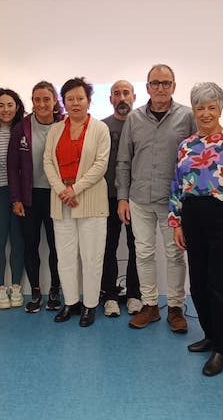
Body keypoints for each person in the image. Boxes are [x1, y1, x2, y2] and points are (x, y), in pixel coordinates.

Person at [170, 82, 223, 376]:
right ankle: (210, 335)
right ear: (193, 110)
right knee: (200, 284)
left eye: (211, 107)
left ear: (220, 108)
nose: (205, 113)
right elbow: (177, 185)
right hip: (193, 217)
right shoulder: (186, 145)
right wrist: (176, 223)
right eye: (200, 108)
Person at [116, 64, 197, 333]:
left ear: (174, 86)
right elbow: (124, 160)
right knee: (143, 253)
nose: (160, 87)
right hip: (139, 199)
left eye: (166, 83)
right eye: (155, 83)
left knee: (175, 254)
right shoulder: (134, 119)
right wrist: (122, 197)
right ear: (147, 87)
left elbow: (197, 158)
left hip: (173, 201)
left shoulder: (187, 117)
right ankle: (150, 306)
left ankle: (175, 308)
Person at [43, 77, 109, 327]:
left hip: (90, 201)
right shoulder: (55, 130)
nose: (75, 103)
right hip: (61, 202)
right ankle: (71, 302)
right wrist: (62, 190)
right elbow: (48, 162)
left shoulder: (100, 129)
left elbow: (100, 165)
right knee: (65, 256)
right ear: (63, 102)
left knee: (92, 257)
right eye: (70, 99)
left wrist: (75, 190)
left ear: (88, 101)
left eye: (80, 98)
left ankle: (90, 305)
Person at [7, 81, 63, 313]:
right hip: (29, 197)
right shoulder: (21, 127)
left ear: (55, 101)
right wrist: (16, 199)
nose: (41, 104)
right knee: (30, 246)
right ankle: (36, 292)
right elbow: (12, 167)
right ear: (32, 101)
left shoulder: (64, 125)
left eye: (46, 99)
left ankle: (55, 291)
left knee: (56, 246)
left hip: (57, 196)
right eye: (37, 99)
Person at [100, 80, 140, 317]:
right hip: (107, 197)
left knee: (138, 248)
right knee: (108, 247)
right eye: (117, 93)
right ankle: (110, 296)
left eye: (126, 93)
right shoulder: (102, 127)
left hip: (136, 198)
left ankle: (135, 294)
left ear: (134, 96)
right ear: (110, 99)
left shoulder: (142, 125)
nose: (122, 97)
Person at [0, 88, 26, 309]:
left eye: (10, 105)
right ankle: (1, 288)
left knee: (18, 240)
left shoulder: (24, 130)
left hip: (20, 192)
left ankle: (16, 287)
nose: (6, 109)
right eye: (1, 105)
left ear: (17, 107)